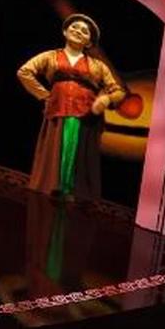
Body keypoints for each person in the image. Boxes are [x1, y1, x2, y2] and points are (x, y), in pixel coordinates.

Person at [15, 13, 124, 200]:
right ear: (65, 31)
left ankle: (69, 190)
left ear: (89, 42)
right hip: (58, 109)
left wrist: (106, 99)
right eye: (74, 27)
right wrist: (45, 95)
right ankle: (52, 187)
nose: (78, 31)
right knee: (56, 148)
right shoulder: (51, 56)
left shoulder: (98, 66)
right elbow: (24, 72)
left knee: (76, 150)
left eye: (84, 31)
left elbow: (118, 91)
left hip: (85, 115)